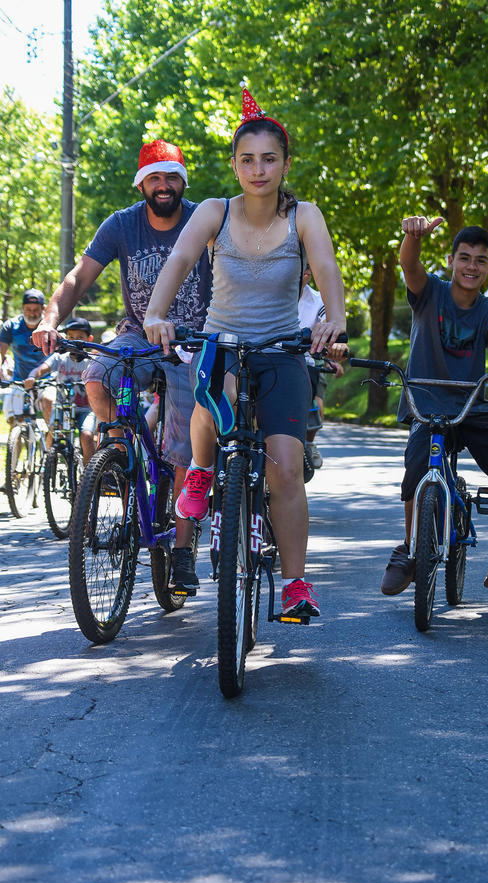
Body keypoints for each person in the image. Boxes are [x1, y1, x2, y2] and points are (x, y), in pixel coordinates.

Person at [144, 89, 346, 617]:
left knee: (286, 466)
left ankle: (295, 585)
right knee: (218, 393)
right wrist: (155, 313)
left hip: (281, 350)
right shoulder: (215, 211)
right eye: (248, 159)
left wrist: (335, 315)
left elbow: (325, 269)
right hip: (223, 342)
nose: (259, 169)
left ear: (285, 163)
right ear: (234, 165)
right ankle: (200, 474)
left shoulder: (304, 216)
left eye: (270, 159)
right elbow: (180, 259)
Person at [31, 140, 212, 589]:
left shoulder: (203, 219)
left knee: (186, 445)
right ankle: (124, 455)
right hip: (140, 335)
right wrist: (51, 319)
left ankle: (184, 549)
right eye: (155, 178)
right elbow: (78, 277)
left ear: (182, 182)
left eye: (172, 177)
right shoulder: (122, 225)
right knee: (96, 377)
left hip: (194, 341)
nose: (164, 186)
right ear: (142, 184)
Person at [381, 215, 488, 601]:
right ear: (451, 261)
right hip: (425, 404)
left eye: (480, 260)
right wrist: (412, 237)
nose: (471, 266)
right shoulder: (431, 293)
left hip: (471, 406)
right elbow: (409, 265)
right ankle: (410, 550)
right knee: (416, 469)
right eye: (464, 258)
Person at [24, 317, 96, 465]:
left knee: (87, 436)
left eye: (80, 337)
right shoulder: (60, 358)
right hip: (63, 407)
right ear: (65, 338)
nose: (74, 341)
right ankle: (48, 463)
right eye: (70, 337)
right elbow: (42, 369)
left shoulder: (93, 361)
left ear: (89, 339)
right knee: (54, 430)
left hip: (86, 408)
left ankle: (90, 477)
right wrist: (32, 376)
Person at [298, 265, 344, 468]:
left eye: (311, 261)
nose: (307, 266)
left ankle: (308, 442)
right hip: (262, 357)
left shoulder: (318, 300)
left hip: (305, 363)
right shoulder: (262, 292)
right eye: (302, 259)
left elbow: (328, 323)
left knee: (314, 401)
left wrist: (335, 344)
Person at [0, 289, 55, 431]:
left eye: (36, 310)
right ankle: (15, 452)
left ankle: (51, 449)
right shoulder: (11, 326)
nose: (32, 313)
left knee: (50, 409)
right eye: (28, 309)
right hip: (20, 381)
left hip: (47, 381)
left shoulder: (50, 327)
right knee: (15, 424)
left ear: (43, 308)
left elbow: (59, 355)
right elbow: (1, 352)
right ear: (22, 308)